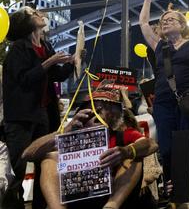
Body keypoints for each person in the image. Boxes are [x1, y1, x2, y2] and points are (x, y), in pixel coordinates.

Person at [22, 87, 159, 209]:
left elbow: (151, 144)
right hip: (76, 195)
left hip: (112, 195)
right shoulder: (71, 137)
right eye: (93, 109)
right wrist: (64, 132)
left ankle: (111, 206)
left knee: (134, 157)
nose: (96, 114)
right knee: (49, 158)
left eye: (103, 109)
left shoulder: (121, 135)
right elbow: (27, 154)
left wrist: (126, 152)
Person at [2, 7, 76, 208]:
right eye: (32, 12)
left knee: (46, 164)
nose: (38, 13)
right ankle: (11, 203)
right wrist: (49, 62)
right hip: (22, 117)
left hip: (44, 114)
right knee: (21, 165)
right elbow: (25, 79)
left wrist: (73, 61)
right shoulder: (18, 48)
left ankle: (44, 204)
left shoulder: (45, 45)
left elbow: (56, 76)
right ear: (25, 23)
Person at [139, 0, 189, 182]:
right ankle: (172, 186)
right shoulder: (159, 45)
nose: (165, 22)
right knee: (167, 147)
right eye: (163, 21)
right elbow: (144, 23)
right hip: (164, 103)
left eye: (171, 19)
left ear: (182, 25)